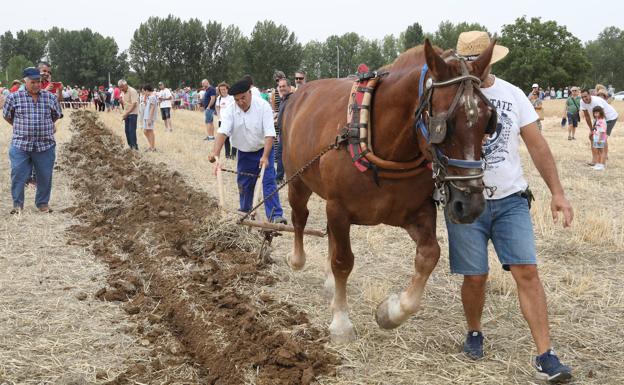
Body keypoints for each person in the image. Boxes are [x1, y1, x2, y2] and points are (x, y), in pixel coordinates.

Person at [448, 31, 574, 383]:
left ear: (490, 60)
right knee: (475, 276)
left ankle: (545, 355)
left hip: (511, 200)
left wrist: (558, 192)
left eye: (479, 61)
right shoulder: (451, 95)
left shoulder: (512, 94)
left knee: (528, 273)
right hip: (465, 201)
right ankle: (474, 331)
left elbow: (537, 146)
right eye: (468, 62)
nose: (474, 67)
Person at [208, 78, 286, 224]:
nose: (240, 102)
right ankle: (245, 211)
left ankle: (275, 216)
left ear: (250, 92)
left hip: (263, 150)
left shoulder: (263, 106)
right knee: (244, 183)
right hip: (244, 153)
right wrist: (215, 153)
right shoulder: (231, 109)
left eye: (243, 98)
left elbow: (269, 134)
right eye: (237, 99)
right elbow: (223, 131)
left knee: (268, 182)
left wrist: (265, 157)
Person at [2, 67, 62, 214]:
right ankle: (17, 206)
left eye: (39, 82)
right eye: (33, 82)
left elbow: (56, 115)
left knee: (45, 175)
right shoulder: (13, 97)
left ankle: (42, 203)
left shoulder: (49, 97)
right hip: (20, 145)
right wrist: (21, 128)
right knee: (18, 174)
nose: (37, 85)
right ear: (25, 81)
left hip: (45, 145)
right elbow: (7, 116)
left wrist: (44, 127)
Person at [580, 88, 618, 166]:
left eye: (586, 96)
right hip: (598, 119)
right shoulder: (582, 102)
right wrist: (591, 129)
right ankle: (595, 159)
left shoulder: (597, 101)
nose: (584, 99)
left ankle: (602, 159)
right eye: (582, 97)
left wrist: (597, 130)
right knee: (592, 137)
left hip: (610, 118)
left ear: (590, 95)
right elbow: (587, 116)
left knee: (602, 138)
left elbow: (602, 116)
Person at [274, 78, 293, 183]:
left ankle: (279, 177)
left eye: (284, 86)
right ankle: (280, 176)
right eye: (280, 87)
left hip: (288, 133)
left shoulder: (292, 99)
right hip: (282, 132)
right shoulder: (284, 99)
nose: (282, 88)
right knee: (280, 154)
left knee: (282, 155)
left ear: (289, 87)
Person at [215, 82, 236, 159]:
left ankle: (233, 154)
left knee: (233, 138)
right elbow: (217, 107)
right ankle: (227, 155)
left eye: (224, 89)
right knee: (225, 139)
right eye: (221, 90)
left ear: (227, 89)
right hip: (222, 121)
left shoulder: (232, 97)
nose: (223, 91)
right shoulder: (219, 98)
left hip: (231, 121)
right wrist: (218, 116)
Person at [118, 79, 139, 150]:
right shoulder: (123, 92)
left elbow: (134, 104)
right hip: (126, 113)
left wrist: (126, 113)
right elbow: (125, 103)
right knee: (126, 130)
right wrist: (121, 102)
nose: (121, 89)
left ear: (126, 85)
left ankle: (134, 147)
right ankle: (130, 146)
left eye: (122, 87)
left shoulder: (132, 91)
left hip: (133, 113)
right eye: (120, 87)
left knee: (131, 130)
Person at [142, 84, 158, 152]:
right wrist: (145, 97)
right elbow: (146, 105)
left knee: (150, 131)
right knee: (145, 131)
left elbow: (152, 108)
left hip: (149, 117)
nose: (143, 93)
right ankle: (151, 146)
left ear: (147, 90)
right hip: (147, 116)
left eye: (144, 91)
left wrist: (150, 119)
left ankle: (153, 147)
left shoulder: (152, 97)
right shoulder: (149, 97)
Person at [591, 106, 607, 171]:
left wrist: (600, 139)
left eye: (597, 113)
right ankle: (597, 164)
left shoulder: (601, 121)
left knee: (601, 151)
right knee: (597, 151)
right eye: (594, 113)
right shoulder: (597, 120)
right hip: (596, 138)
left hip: (600, 138)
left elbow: (602, 130)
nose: (595, 114)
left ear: (601, 112)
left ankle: (601, 165)